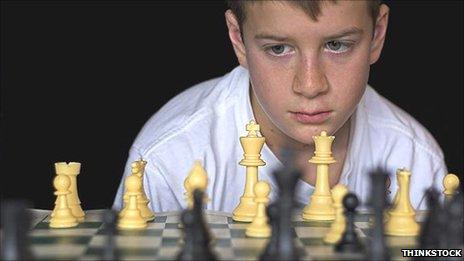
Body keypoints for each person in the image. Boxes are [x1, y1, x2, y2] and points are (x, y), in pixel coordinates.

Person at [113, 0, 447, 212]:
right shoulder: (168, 158)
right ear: (238, 39)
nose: (311, 85)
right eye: (277, 49)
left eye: (336, 45)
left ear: (377, 34)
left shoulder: (414, 159)